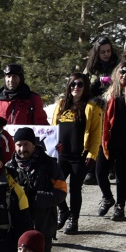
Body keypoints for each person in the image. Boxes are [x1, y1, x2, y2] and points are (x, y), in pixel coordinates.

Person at [49, 74, 102, 233]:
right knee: (53, 185)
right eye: (73, 84)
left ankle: (74, 220)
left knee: (75, 189)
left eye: (80, 85)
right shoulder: (61, 105)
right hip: (61, 156)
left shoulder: (92, 108)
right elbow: (53, 129)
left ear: (85, 87)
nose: (76, 88)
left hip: (80, 156)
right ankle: (63, 210)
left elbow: (95, 134)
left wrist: (92, 155)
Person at [7, 126, 67, 252]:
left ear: (33, 145)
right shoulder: (8, 168)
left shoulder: (49, 165)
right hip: (17, 226)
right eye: (19, 145)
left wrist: (32, 198)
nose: (22, 149)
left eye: (26, 144)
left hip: (43, 226)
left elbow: (61, 192)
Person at [98, 61, 126, 219]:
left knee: (121, 175)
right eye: (122, 72)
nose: (124, 75)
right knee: (100, 172)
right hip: (107, 138)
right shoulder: (110, 91)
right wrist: (99, 81)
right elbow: (92, 95)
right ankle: (108, 198)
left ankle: (120, 207)